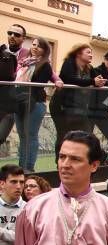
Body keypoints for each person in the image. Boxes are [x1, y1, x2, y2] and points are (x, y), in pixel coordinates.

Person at [51, 44, 102, 161]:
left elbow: (97, 80)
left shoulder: (89, 68)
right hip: (61, 106)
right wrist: (92, 81)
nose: (91, 55)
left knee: (87, 135)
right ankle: (59, 162)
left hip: (79, 108)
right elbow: (69, 79)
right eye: (88, 52)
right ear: (79, 53)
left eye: (91, 52)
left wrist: (100, 81)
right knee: (63, 135)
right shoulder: (69, 63)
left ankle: (86, 160)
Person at [13, 37, 55, 172]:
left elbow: (38, 85)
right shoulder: (24, 63)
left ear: (45, 50)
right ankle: (21, 167)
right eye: (34, 44)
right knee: (22, 136)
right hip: (19, 102)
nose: (35, 47)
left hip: (35, 103)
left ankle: (28, 168)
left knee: (30, 135)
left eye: (39, 46)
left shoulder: (45, 65)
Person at [0, 165, 25, 245]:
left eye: (21, 182)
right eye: (14, 182)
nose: (19, 186)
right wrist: (14, 236)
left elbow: (24, 239)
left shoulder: (29, 208)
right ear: (2, 184)